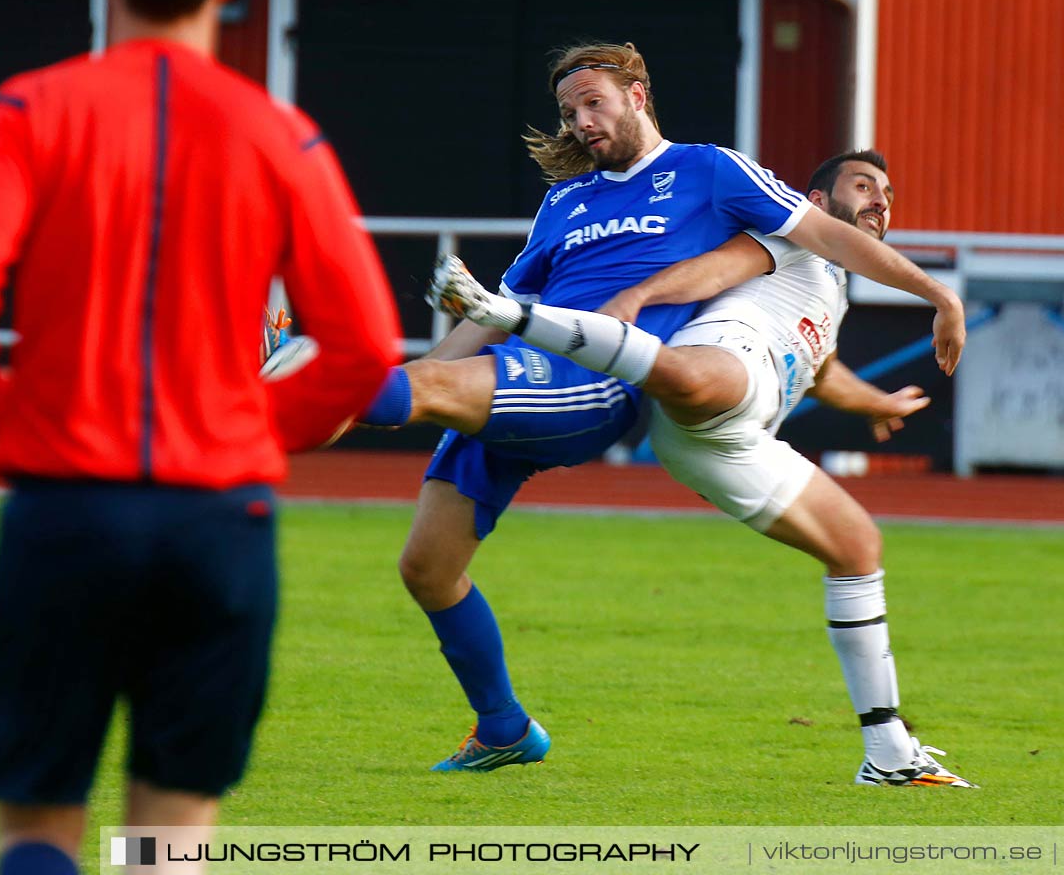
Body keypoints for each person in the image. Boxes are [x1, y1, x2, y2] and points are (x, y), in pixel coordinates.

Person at [0, 0, 398, 875]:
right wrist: (248, 432)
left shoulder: (24, 113)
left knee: (38, 819)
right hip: (218, 515)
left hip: (65, 505)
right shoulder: (283, 136)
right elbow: (359, 343)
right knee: (168, 836)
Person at [315, 41, 964, 772]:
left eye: (594, 102)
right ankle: (503, 729)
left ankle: (291, 375)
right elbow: (497, 310)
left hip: (592, 384)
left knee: (395, 393)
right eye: (568, 111)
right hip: (519, 368)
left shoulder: (709, 170)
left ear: (638, 97)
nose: (581, 121)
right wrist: (418, 374)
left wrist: (936, 293)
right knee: (426, 568)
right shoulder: (563, 202)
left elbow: (821, 240)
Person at [428, 150, 976, 788]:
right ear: (820, 202)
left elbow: (823, 372)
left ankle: (889, 754)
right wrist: (638, 295)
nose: (880, 199)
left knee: (857, 545)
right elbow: (713, 269)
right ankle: (506, 314)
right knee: (695, 377)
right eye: (863, 185)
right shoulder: (787, 236)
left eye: (887, 190)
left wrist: (876, 403)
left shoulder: (831, 282)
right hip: (720, 366)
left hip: (739, 438)